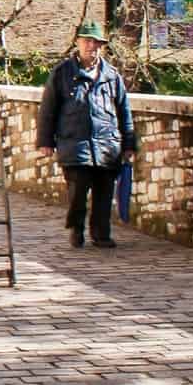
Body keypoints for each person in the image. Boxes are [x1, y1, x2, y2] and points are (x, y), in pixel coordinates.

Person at [36, 20, 135, 249]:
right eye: (87, 41)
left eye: (96, 43)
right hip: (75, 142)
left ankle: (101, 234)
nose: (92, 46)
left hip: (107, 145)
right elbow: (48, 109)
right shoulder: (62, 73)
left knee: (103, 193)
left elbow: (124, 111)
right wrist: (45, 140)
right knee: (77, 193)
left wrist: (129, 143)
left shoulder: (111, 75)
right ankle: (76, 229)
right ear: (78, 43)